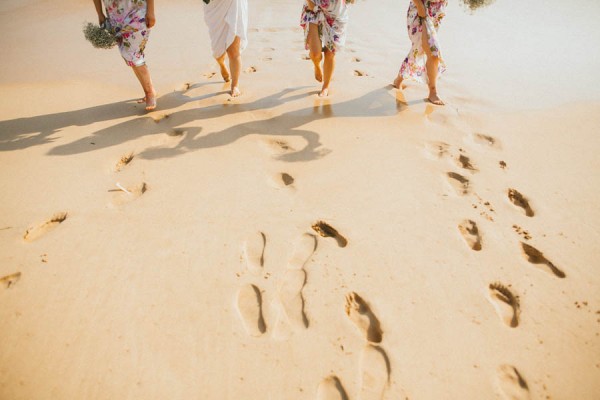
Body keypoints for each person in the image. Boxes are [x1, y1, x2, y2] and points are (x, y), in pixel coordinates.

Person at [93, 0, 157, 111]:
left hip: (137, 11)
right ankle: (149, 90)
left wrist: (151, 11)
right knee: (128, 56)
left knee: (134, 55)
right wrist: (100, 13)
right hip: (115, 15)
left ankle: (150, 93)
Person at [393, 0, 448, 105]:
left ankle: (398, 79)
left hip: (437, 10)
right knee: (433, 51)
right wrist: (419, 5)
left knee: (418, 49)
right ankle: (433, 92)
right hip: (421, 9)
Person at [301, 0, 353, 97]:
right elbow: (312, 6)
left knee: (330, 53)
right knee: (315, 54)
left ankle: (325, 86)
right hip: (314, 9)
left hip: (336, 15)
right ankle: (317, 66)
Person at [202, 0, 249, 97]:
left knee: (233, 51)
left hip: (235, 3)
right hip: (215, 7)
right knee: (217, 52)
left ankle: (235, 85)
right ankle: (221, 64)